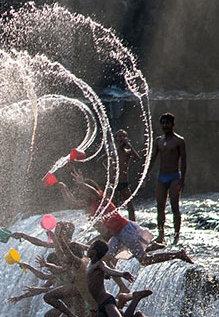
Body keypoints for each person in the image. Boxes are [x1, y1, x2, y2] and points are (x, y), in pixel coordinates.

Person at [56, 169, 192, 266]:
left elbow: (91, 191)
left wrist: (81, 183)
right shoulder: (91, 204)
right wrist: (63, 189)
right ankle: (117, 279)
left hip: (125, 230)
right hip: (117, 235)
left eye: (83, 191)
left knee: (144, 261)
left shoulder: (99, 197)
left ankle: (178, 254)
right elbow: (72, 202)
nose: (81, 193)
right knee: (107, 257)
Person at [85, 239, 153, 317]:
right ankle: (134, 316)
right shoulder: (91, 264)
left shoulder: (99, 264)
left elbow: (109, 271)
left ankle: (136, 298)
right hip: (100, 304)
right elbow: (103, 275)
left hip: (106, 301)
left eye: (90, 247)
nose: (87, 249)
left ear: (93, 252)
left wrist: (122, 274)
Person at [148, 112, 187, 245]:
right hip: (161, 177)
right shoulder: (158, 140)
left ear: (172, 124)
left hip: (174, 176)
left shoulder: (179, 141)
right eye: (163, 123)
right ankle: (161, 234)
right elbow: (153, 158)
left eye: (167, 123)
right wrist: (146, 174)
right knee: (160, 207)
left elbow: (184, 162)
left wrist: (182, 180)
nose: (165, 125)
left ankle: (176, 235)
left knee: (174, 206)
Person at [103, 128, 140, 221]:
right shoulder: (113, 153)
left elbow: (137, 159)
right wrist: (109, 171)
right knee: (114, 208)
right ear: (115, 139)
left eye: (124, 136)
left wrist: (130, 145)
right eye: (119, 136)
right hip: (114, 184)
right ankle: (115, 227)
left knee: (130, 207)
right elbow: (100, 161)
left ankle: (134, 227)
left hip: (124, 183)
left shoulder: (128, 152)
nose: (122, 138)